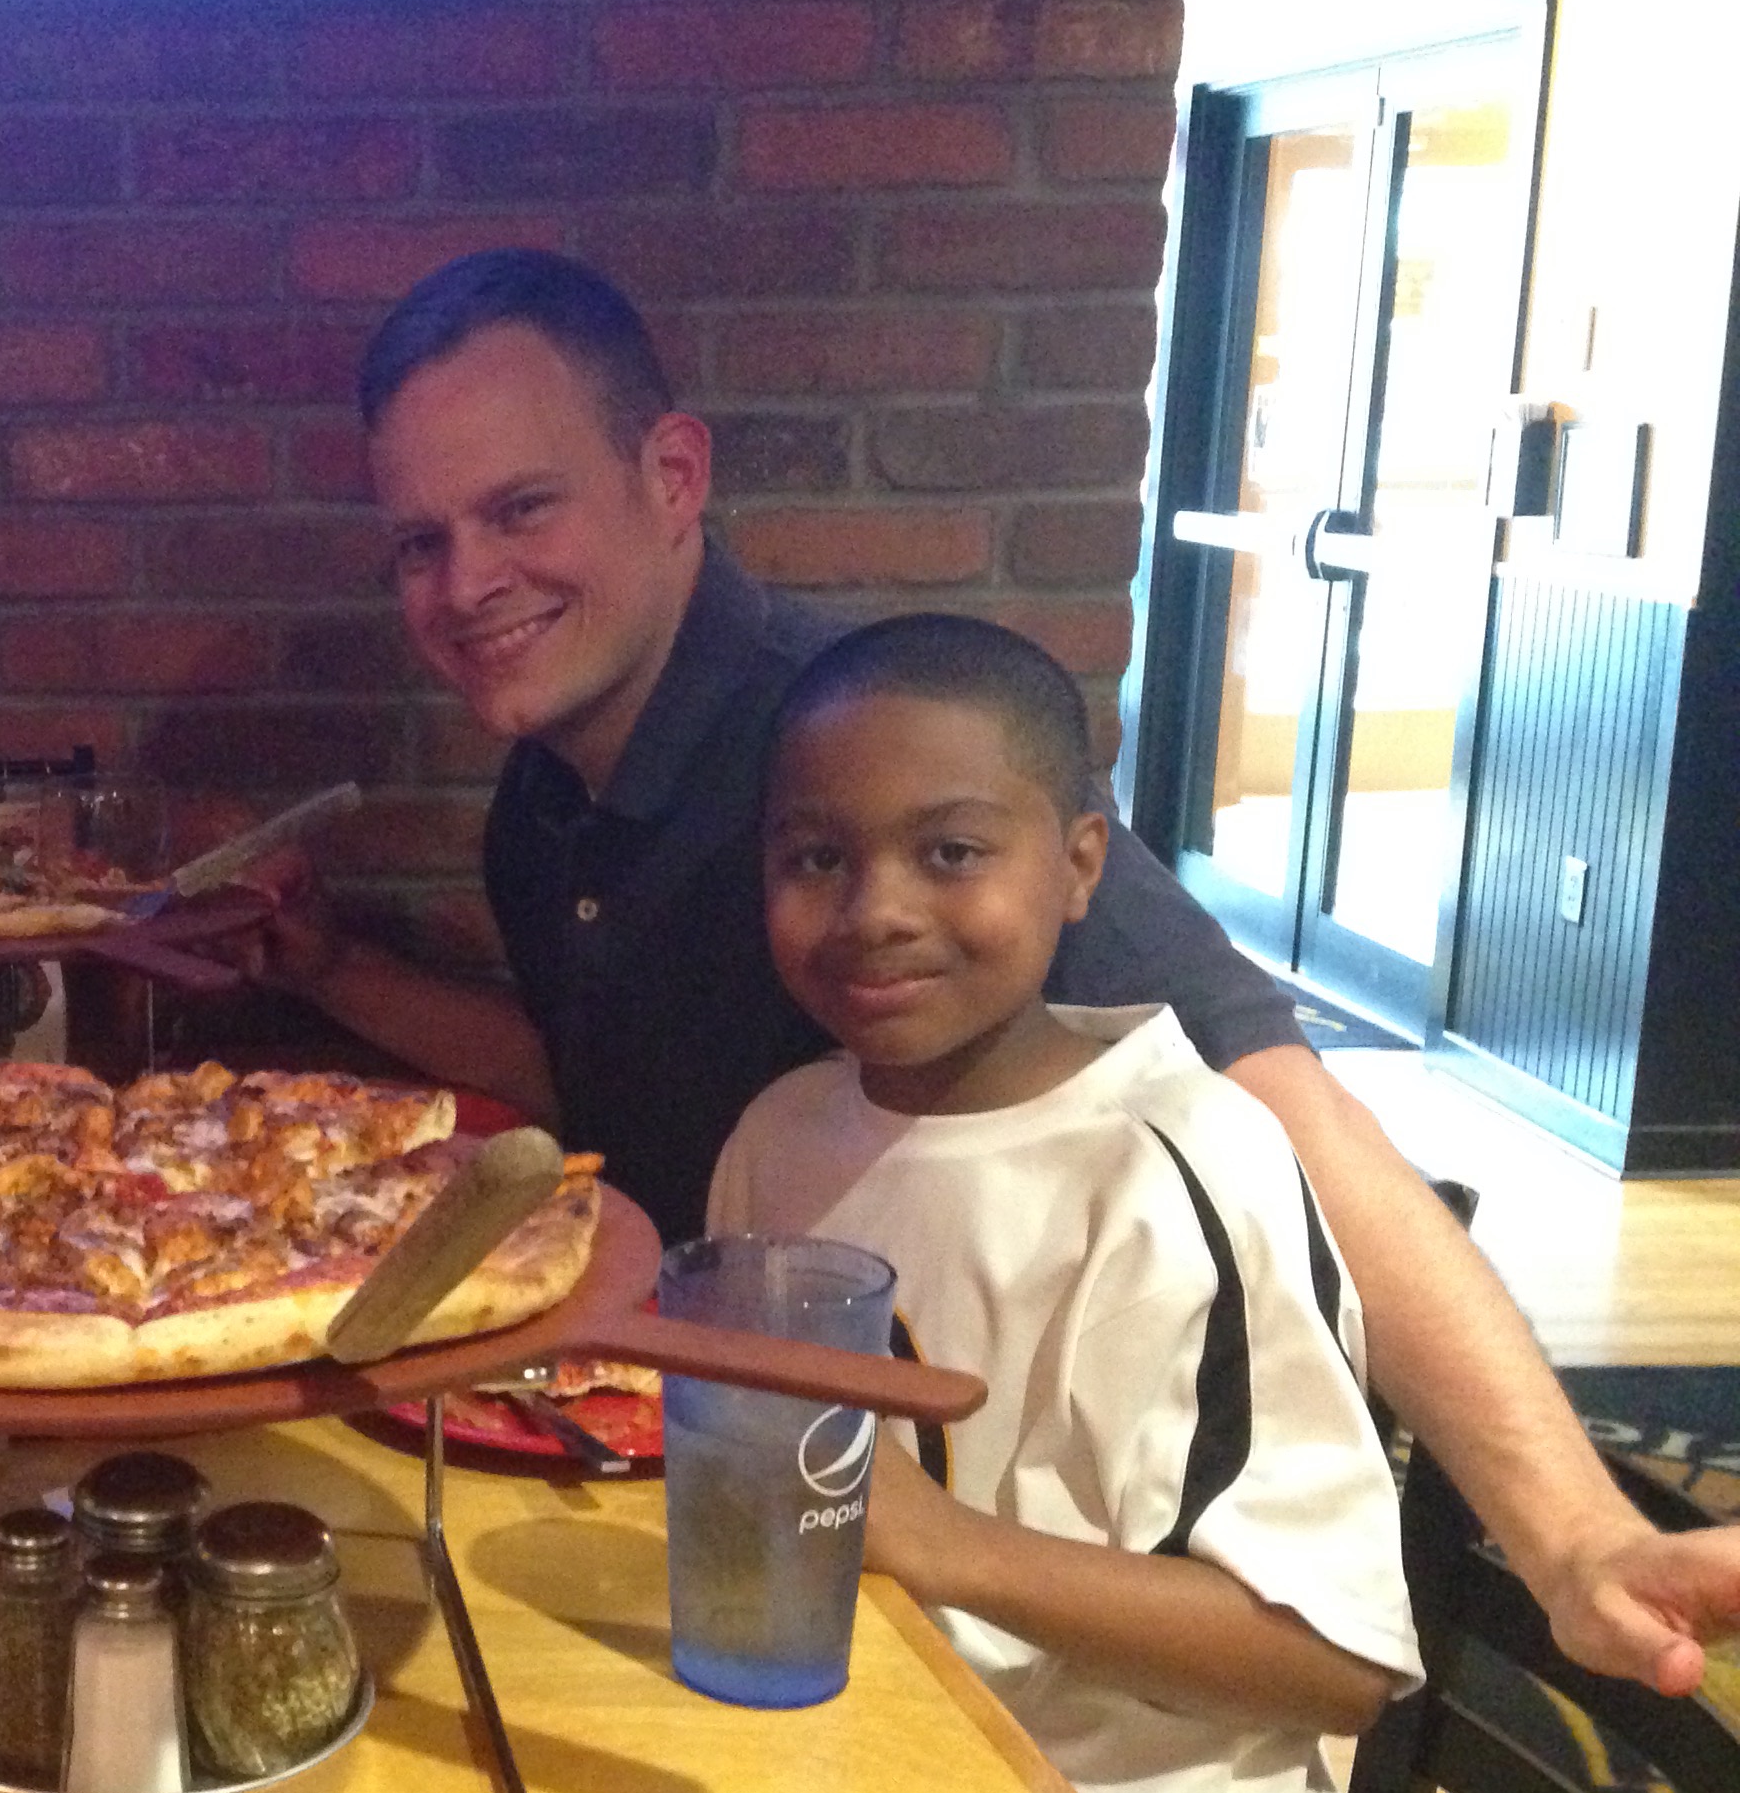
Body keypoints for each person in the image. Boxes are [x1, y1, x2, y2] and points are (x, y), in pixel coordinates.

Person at [244, 244, 1740, 1700]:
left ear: (674, 477)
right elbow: (590, 1076)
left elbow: (1281, 1111)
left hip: (991, 1628)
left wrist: (1571, 1536)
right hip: (700, 1504)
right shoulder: (542, 796)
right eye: (421, 543)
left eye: (521, 508)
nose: (469, 581)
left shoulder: (878, 757)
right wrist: (330, 970)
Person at [194, 615, 1421, 1793]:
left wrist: (933, 1541)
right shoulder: (782, 1137)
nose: (877, 909)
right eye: (815, 859)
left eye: (950, 851)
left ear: (1078, 863)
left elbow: (1333, 1661)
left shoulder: (1183, 1169)